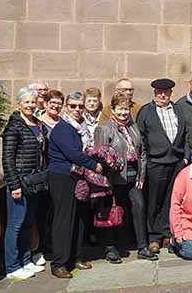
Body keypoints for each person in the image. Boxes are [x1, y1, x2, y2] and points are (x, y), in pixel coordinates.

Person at [48, 92, 103, 279]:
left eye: (80, 106)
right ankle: (59, 263)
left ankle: (76, 257)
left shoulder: (80, 128)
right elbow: (73, 154)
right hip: (63, 177)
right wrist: (94, 165)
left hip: (78, 177)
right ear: (66, 107)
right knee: (64, 220)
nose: (77, 109)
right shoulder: (62, 129)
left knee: (80, 217)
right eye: (73, 106)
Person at [94, 93, 155, 261]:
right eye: (120, 109)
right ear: (112, 110)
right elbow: (100, 154)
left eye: (126, 109)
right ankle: (110, 247)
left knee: (139, 208)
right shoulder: (104, 128)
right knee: (111, 211)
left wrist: (141, 176)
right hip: (113, 179)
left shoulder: (133, 126)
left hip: (133, 178)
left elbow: (141, 152)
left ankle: (142, 246)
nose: (123, 113)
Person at [137, 78, 189, 254]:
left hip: (176, 162)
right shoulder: (146, 111)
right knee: (154, 201)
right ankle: (154, 237)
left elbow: (187, 134)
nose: (163, 95)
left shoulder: (178, 110)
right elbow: (140, 138)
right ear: (154, 93)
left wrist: (186, 157)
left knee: (171, 199)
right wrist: (145, 161)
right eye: (160, 92)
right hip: (155, 162)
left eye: (166, 92)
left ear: (171, 93)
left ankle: (167, 233)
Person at [2, 87, 47, 280]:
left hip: (33, 182)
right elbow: (7, 159)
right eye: (26, 102)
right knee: (16, 224)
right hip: (20, 182)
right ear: (19, 103)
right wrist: (14, 185)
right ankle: (12, 267)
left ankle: (26, 259)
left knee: (28, 223)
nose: (30, 105)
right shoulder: (14, 126)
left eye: (32, 102)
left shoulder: (37, 123)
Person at [33, 89, 63, 266]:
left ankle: (53, 245)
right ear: (45, 103)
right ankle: (39, 248)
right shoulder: (39, 123)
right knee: (41, 213)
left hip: (60, 174)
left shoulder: (63, 122)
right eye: (53, 102)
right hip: (44, 173)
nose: (55, 105)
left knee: (55, 212)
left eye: (59, 103)